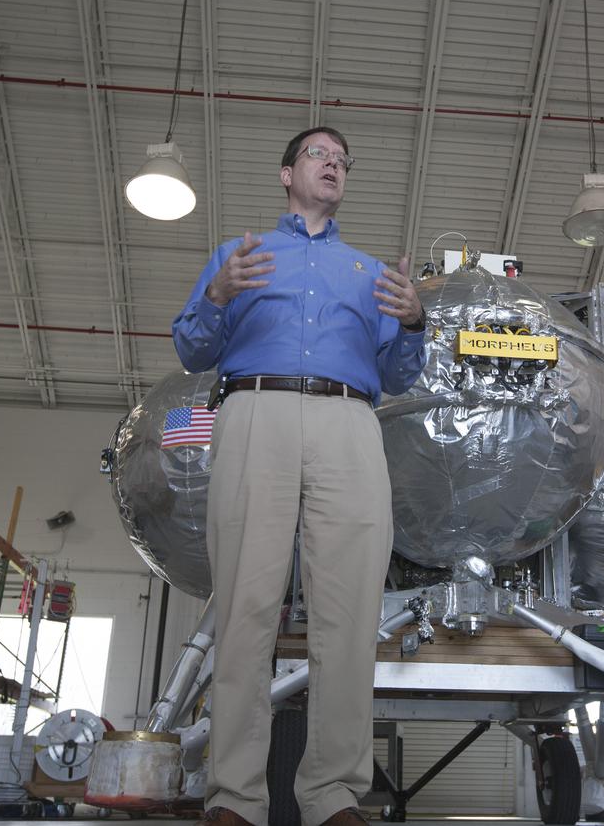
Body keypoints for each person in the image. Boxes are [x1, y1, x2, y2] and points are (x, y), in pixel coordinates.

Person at [171, 126, 427, 826]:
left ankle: (334, 794)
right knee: (245, 607)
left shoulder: (371, 275)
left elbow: (402, 375)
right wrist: (218, 294)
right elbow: (193, 347)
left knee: (349, 616)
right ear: (287, 173)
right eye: (320, 154)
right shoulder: (241, 256)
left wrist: (414, 322)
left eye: (344, 159)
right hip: (257, 408)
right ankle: (234, 797)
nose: (334, 164)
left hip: (350, 421)